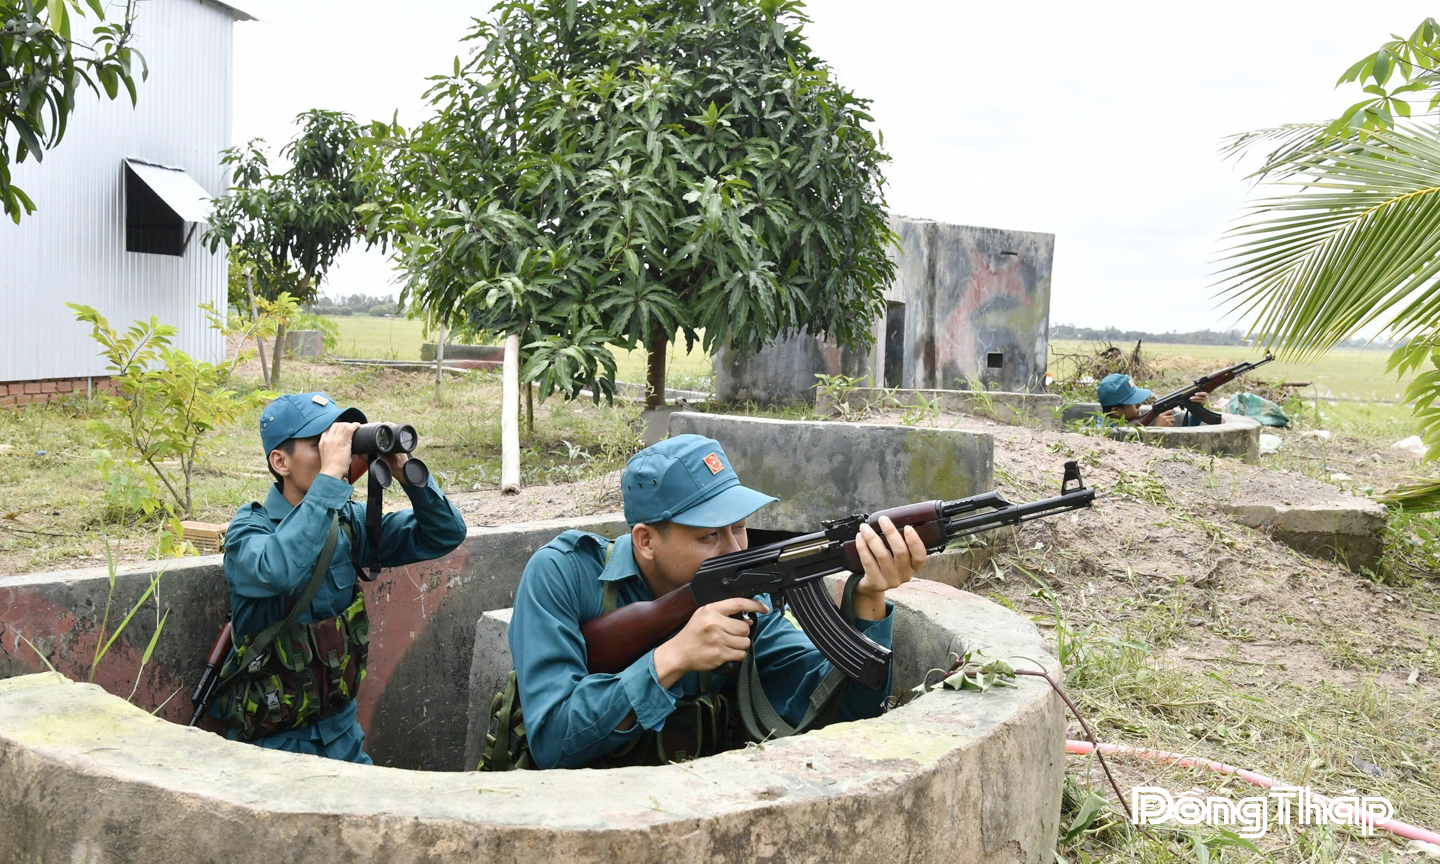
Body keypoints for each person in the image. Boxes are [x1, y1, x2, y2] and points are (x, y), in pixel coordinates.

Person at [506, 434, 927, 770]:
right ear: (646, 541)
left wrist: (869, 597)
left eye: (739, 528)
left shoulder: (740, 595)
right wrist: (671, 659)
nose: (733, 550)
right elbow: (551, 744)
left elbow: (843, 714)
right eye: (708, 536)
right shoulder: (563, 575)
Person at [215, 392, 467, 763]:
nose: (338, 451)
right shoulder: (250, 530)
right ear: (280, 461)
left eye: (339, 440)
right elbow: (278, 569)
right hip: (272, 745)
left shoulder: (346, 523)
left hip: (343, 733)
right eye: (321, 444)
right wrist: (331, 477)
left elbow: (445, 533)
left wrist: (406, 473)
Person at [1097, 373, 1212, 427]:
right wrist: (1157, 432)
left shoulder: (1116, 422)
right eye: (1134, 403)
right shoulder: (1106, 435)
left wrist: (1196, 408)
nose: (1139, 405)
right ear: (1116, 411)